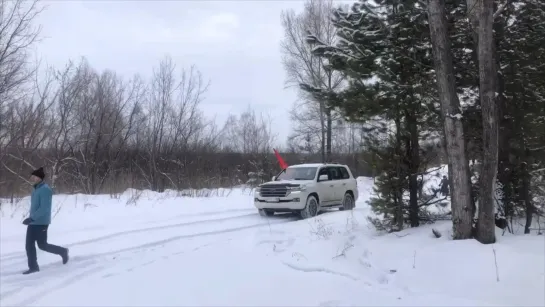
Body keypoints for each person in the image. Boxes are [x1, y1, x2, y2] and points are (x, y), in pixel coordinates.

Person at [22, 167, 69, 275]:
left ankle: (62, 251)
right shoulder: (35, 188)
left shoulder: (45, 190)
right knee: (29, 245)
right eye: (32, 176)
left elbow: (44, 208)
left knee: (42, 245)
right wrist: (31, 218)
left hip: (41, 222)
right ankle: (33, 267)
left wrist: (32, 218)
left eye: (35, 176)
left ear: (40, 178)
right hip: (33, 222)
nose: (33, 178)